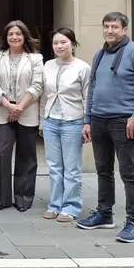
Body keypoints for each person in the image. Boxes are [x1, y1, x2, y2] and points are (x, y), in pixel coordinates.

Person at [76, 12, 134, 243]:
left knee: (128, 173)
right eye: (106, 26)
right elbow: (92, 90)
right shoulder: (99, 54)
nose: (109, 30)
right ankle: (104, 214)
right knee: (103, 170)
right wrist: (88, 120)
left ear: (125, 30)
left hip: (124, 121)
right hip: (99, 121)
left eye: (114, 27)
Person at [0, 20, 43, 212]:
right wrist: (9, 105)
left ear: (24, 36)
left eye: (18, 33)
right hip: (3, 110)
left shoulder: (35, 58)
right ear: (6, 37)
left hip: (26, 111)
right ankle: (2, 198)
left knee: (26, 155)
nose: (15, 37)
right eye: (11, 34)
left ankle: (23, 197)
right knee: (2, 153)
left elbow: (37, 85)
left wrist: (19, 107)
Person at [40, 27, 91, 223]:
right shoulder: (48, 65)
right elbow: (44, 95)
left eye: (64, 42)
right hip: (51, 120)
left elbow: (88, 98)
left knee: (72, 168)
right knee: (54, 166)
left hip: (73, 122)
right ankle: (54, 204)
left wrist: (88, 123)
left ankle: (71, 206)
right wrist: (41, 121)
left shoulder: (83, 68)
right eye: (55, 43)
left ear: (72, 43)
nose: (59, 46)